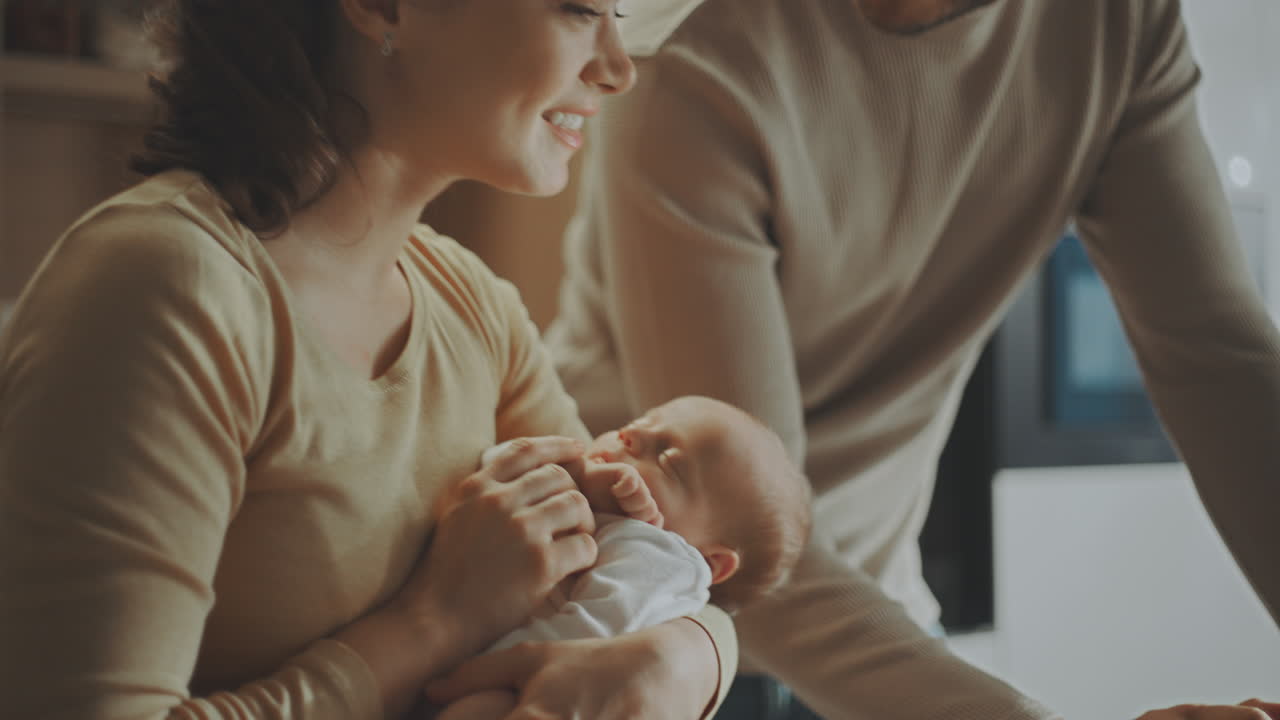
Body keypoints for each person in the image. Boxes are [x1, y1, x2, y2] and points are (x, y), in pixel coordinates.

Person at [0, 1, 739, 719]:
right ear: (385, 7)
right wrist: (434, 621)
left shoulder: (474, 305)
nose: (618, 69)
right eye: (579, 10)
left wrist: (694, 657)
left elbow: (648, 559)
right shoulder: (165, 288)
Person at [545, 0, 1280, 718]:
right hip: (646, 627)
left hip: (882, 616)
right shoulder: (694, 45)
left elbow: (1219, 360)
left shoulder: (1116, 23)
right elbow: (736, 544)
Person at [434, 395, 812, 720]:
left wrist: (482, 665)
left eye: (667, 461)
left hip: (530, 685)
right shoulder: (588, 489)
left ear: (710, 562)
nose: (629, 437)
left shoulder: (663, 558)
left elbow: (592, 635)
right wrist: (572, 475)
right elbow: (490, 467)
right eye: (637, 424)